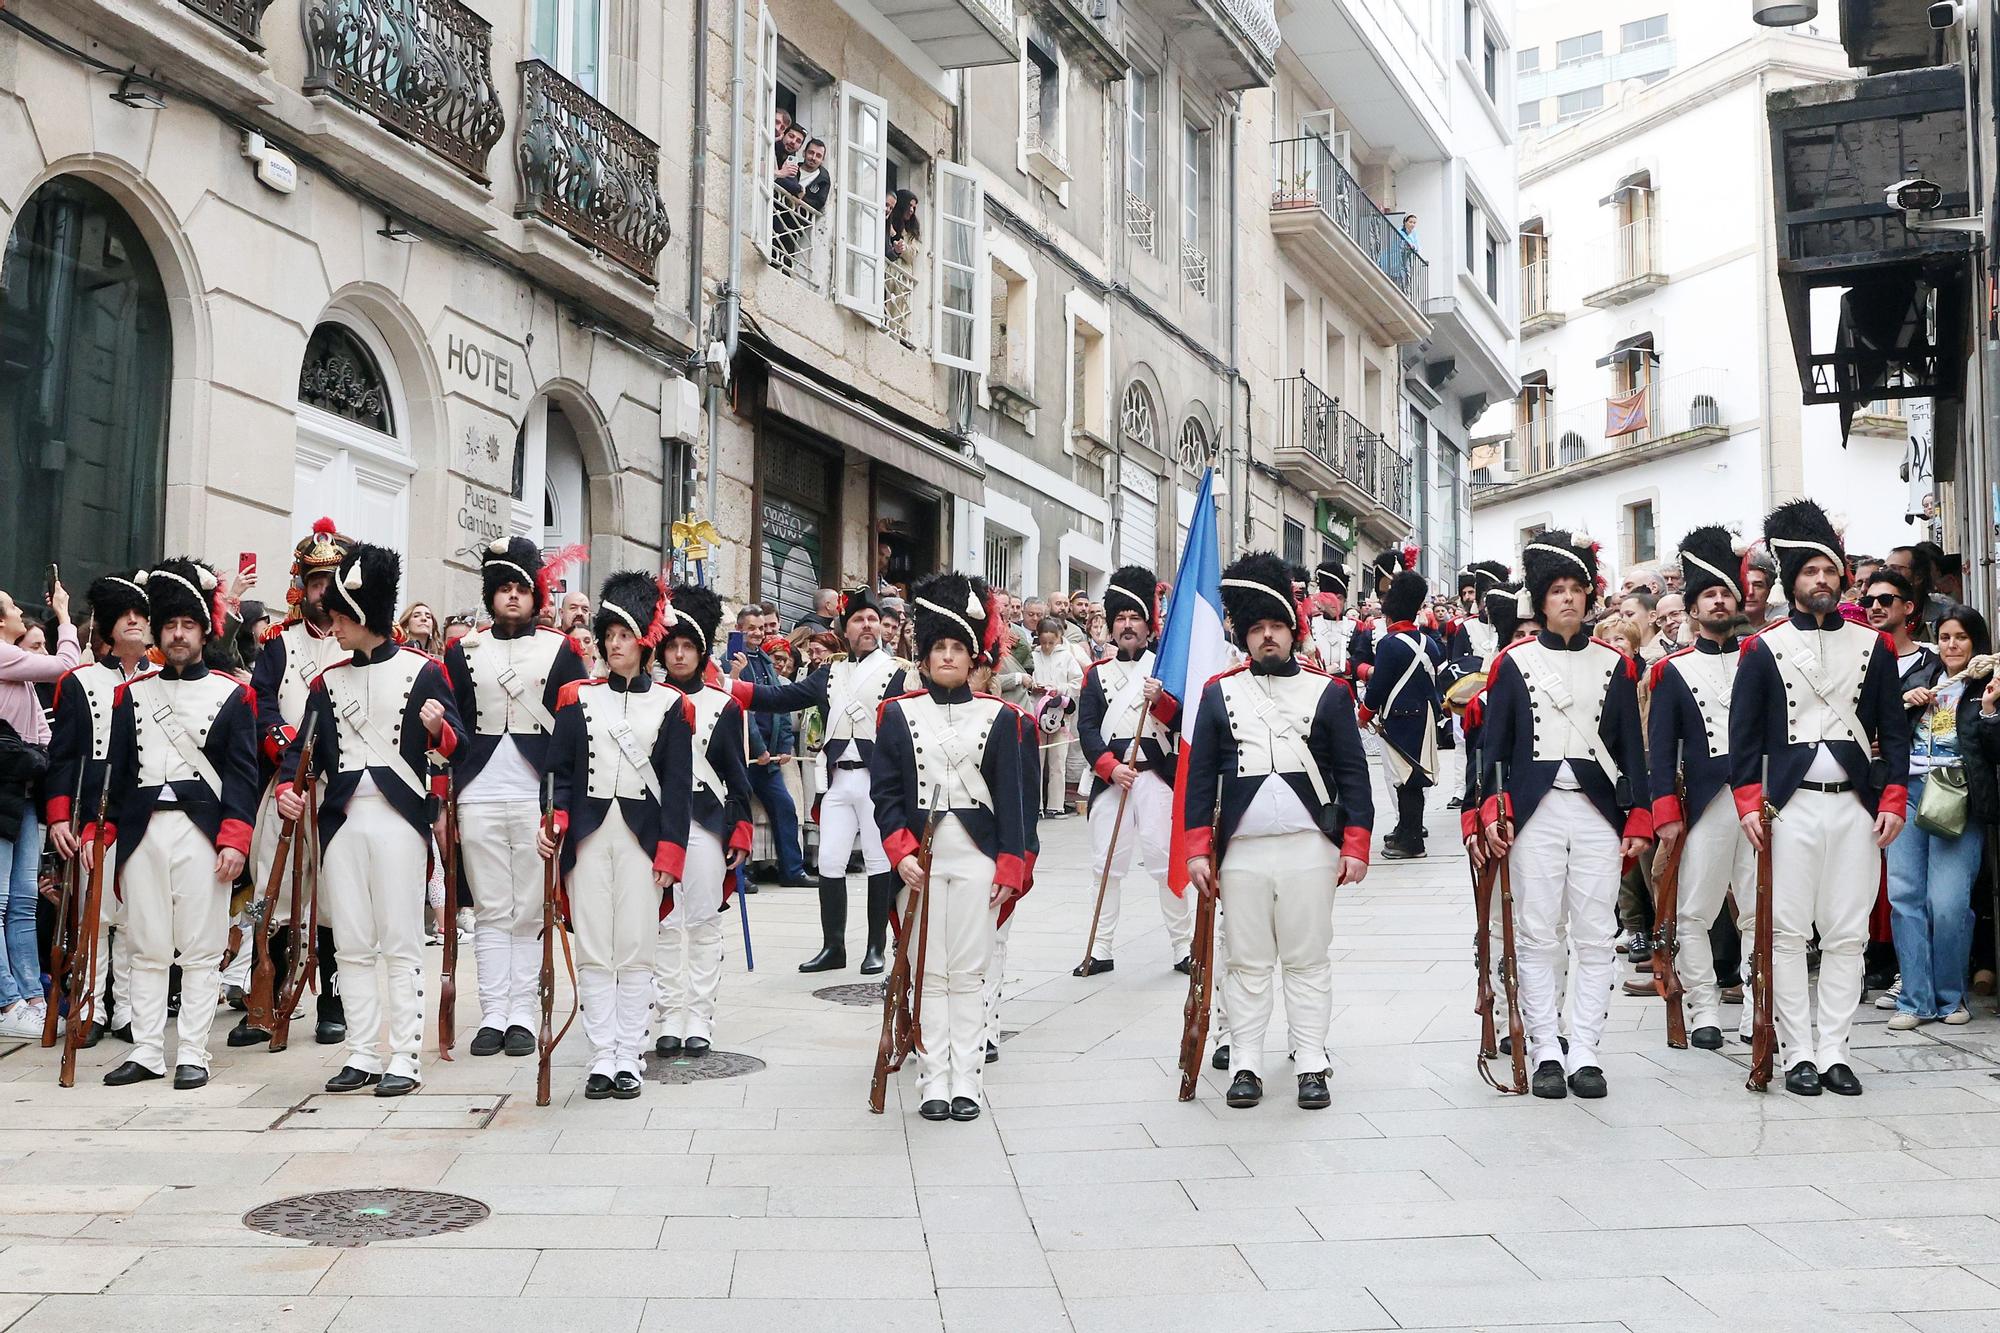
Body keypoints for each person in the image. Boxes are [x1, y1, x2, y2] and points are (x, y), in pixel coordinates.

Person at [1732, 499, 1909, 1097]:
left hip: (1855, 805)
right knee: (1784, 935)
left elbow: (1895, 731)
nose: (1823, 580)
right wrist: (1749, 801)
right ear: (1794, 579)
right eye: (1811, 571)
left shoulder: (1873, 647)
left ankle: (1836, 1048)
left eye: (1830, 570)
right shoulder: (1762, 649)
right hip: (1790, 805)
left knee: (1847, 934)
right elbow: (1745, 736)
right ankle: (1796, 1050)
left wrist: (1892, 799)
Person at [1184, 551, 1372, 1110]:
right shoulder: (1220, 693)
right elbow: (1199, 781)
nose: (1268, 637)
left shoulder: (1330, 693)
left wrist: (1355, 844)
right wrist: (1198, 849)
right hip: (1241, 851)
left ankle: (1311, 1060)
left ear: (1294, 630)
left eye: (1276, 627)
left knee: (1308, 958)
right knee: (1245, 962)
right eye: (1256, 628)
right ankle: (1246, 1061)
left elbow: (1352, 775)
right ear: (1244, 635)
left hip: (1310, 847)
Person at [277, 543, 461, 1096]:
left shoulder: (424, 672)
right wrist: (290, 788)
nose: (330, 626)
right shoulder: (326, 683)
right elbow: (302, 752)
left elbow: (459, 747)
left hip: (400, 819)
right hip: (342, 823)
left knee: (401, 940)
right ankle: (361, 1050)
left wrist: (439, 732)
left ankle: (403, 1053)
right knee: (353, 941)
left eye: (337, 617)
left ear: (361, 616)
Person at [1478, 530, 1651, 1100]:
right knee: (1535, 934)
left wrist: (1639, 818)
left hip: (1599, 812)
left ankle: (1585, 1048)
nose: (1569, 599)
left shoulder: (1615, 666)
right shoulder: (1512, 664)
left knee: (1598, 934)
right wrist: (1490, 810)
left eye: (1577, 589)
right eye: (1558, 590)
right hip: (1536, 812)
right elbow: (1494, 750)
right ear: (1542, 600)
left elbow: (1632, 750)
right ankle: (1544, 1046)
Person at [90, 559, 259, 1088]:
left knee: (202, 947)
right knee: (146, 944)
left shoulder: (234, 695)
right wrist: (104, 834)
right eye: (170, 625)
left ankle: (191, 1052)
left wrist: (235, 839)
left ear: (206, 631)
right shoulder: (130, 695)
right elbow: (116, 776)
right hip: (142, 831)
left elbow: (242, 777)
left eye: (188, 625)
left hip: (202, 832)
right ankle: (146, 1051)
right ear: (159, 633)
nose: (179, 634)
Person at [868, 572, 1027, 1121]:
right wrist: (900, 851)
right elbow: (885, 794)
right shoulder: (897, 715)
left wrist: (1013, 865)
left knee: (971, 973)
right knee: (929, 972)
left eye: (958, 648)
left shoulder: (1004, 719)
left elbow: (1015, 801)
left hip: (979, 859)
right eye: (939, 646)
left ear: (973, 655)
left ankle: (968, 1082)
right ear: (925, 652)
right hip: (920, 863)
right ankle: (933, 1081)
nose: (948, 657)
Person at [542, 574, 693, 1099]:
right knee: (594, 950)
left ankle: (630, 1052)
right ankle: (600, 1054)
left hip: (642, 839)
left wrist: (672, 852)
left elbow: (677, 787)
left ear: (644, 641)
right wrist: (556, 820)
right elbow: (557, 772)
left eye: (623, 635)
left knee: (635, 949)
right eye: (609, 635)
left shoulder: (673, 705)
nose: (613, 644)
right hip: (587, 835)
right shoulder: (575, 696)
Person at [444, 537, 590, 1059]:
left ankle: (523, 1013)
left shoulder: (561, 650)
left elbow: (575, 730)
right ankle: (492, 1013)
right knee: (489, 908)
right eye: (502, 589)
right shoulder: (462, 652)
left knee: (529, 909)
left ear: (536, 596)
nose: (511, 598)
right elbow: (454, 726)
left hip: (535, 793)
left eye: (520, 589)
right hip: (478, 793)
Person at [728, 587, 920, 974]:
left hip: (876, 783)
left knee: (878, 862)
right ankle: (834, 947)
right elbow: (784, 697)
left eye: (872, 620)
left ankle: (875, 946)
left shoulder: (899, 672)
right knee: (830, 861)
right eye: (858, 621)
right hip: (837, 781)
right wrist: (733, 687)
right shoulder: (830, 672)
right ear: (845, 629)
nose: (867, 626)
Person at [233, 518, 354, 1048]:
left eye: (330, 582)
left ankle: (332, 999)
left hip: (338, 789)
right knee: (270, 888)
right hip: (285, 786)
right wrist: (284, 749)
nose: (321, 592)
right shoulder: (280, 645)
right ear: (300, 588)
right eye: (313, 582)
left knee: (331, 896)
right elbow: (260, 704)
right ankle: (267, 995)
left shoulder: (360, 641)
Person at [1648, 525, 1759, 1051]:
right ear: (1692, 609)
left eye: (1725, 593)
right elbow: (1659, 749)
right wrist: (1665, 811)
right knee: (1695, 909)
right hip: (1707, 800)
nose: (1718, 601)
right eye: (1708, 595)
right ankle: (1705, 1007)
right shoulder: (1671, 671)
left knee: (1763, 909)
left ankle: (1758, 1009)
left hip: (1761, 799)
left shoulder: (1763, 656)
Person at [45, 573, 151, 1046]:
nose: (134, 621)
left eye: (141, 614)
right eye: (125, 614)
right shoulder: (77, 681)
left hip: (145, 814)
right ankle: (89, 1007)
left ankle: (128, 1010)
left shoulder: (162, 680)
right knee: (94, 914)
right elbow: (63, 755)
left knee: (134, 920)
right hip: (92, 813)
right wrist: (58, 816)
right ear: (107, 625)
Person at [1883, 605, 2000, 1030]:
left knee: (1947, 903)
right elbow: (1881, 731)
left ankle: (1951, 997)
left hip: (1958, 796)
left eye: (1962, 638)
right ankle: (1914, 1000)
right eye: (1946, 637)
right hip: (1909, 794)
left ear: (1976, 642)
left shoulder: (1989, 683)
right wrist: (1904, 703)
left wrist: (1988, 712)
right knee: (1905, 898)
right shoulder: (1919, 679)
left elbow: (1995, 753)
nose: (1952, 645)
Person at [653, 582, 753, 1057]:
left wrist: (740, 830)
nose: (678, 655)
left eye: (687, 646)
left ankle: (699, 1016)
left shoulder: (725, 706)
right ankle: (669, 1014)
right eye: (671, 646)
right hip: (654, 823)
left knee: (703, 920)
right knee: (664, 924)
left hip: (707, 820)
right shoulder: (646, 698)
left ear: (700, 651)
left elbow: (738, 777)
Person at [1074, 566, 1189, 975]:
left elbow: (1180, 722)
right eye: (1120, 618)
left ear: (1147, 624)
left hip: (1155, 775)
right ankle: (1100, 949)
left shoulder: (1165, 669)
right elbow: (1087, 730)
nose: (1126, 625)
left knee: (1163, 860)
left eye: (1134, 618)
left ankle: (1183, 948)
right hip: (1113, 780)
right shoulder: (1096, 675)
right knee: (1105, 865)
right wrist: (1108, 768)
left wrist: (1161, 701)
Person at [0, 578, 79, 1038]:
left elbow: (41, 736)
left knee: (24, 901)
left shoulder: (17, 669)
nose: (19, 613)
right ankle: (9, 1000)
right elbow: (67, 665)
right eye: (12, 607)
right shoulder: (4, 655)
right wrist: (66, 618)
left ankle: (31, 995)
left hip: (25, 790)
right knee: (4, 901)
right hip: (7, 789)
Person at [1361, 570, 1445, 860]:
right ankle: (1405, 828)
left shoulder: (1389, 644)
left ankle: (1411, 841)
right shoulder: (1430, 643)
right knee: (1413, 777)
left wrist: (1364, 713)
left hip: (1399, 718)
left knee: (1406, 779)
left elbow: (1378, 687)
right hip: (1424, 720)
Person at [737, 616, 811, 889]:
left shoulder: (768, 664)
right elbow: (745, 713)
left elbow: (780, 707)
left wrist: (782, 747)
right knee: (739, 813)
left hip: (769, 759)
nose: (757, 633)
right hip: (744, 755)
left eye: (760, 628)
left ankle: (792, 870)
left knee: (784, 807)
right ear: (740, 630)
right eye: (751, 628)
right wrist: (759, 748)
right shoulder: (733, 663)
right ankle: (737, 874)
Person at [1028, 617, 1082, 816]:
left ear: (1059, 638)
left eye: (1051, 642)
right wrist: (1034, 686)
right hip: (1038, 712)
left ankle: (1056, 804)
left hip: (1059, 714)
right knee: (1037, 760)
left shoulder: (1067, 656)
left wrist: (1059, 689)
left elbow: (1077, 681)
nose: (1047, 646)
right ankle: (1036, 805)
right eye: (1044, 643)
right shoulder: (1033, 655)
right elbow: (1028, 677)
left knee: (1058, 761)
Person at [1307, 563, 1356, 677]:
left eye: (1339, 598)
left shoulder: (1355, 627)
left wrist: (1339, 667)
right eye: (1330, 598)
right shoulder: (1309, 624)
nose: (1335, 603)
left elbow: (1360, 659)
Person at [886, 188, 921, 261]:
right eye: (909, 205)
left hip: (902, 270)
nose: (911, 210)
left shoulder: (912, 228)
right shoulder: (887, 219)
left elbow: (912, 255)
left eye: (914, 207)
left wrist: (903, 246)